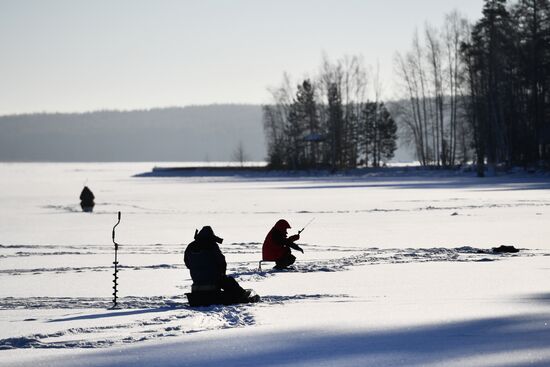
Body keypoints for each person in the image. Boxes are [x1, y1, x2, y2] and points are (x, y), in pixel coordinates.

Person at [184, 226, 257, 305]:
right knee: (229, 281)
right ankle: (242, 296)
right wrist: (221, 274)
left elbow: (187, 263)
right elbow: (222, 262)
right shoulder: (212, 245)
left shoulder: (190, 246)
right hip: (212, 282)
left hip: (196, 284)